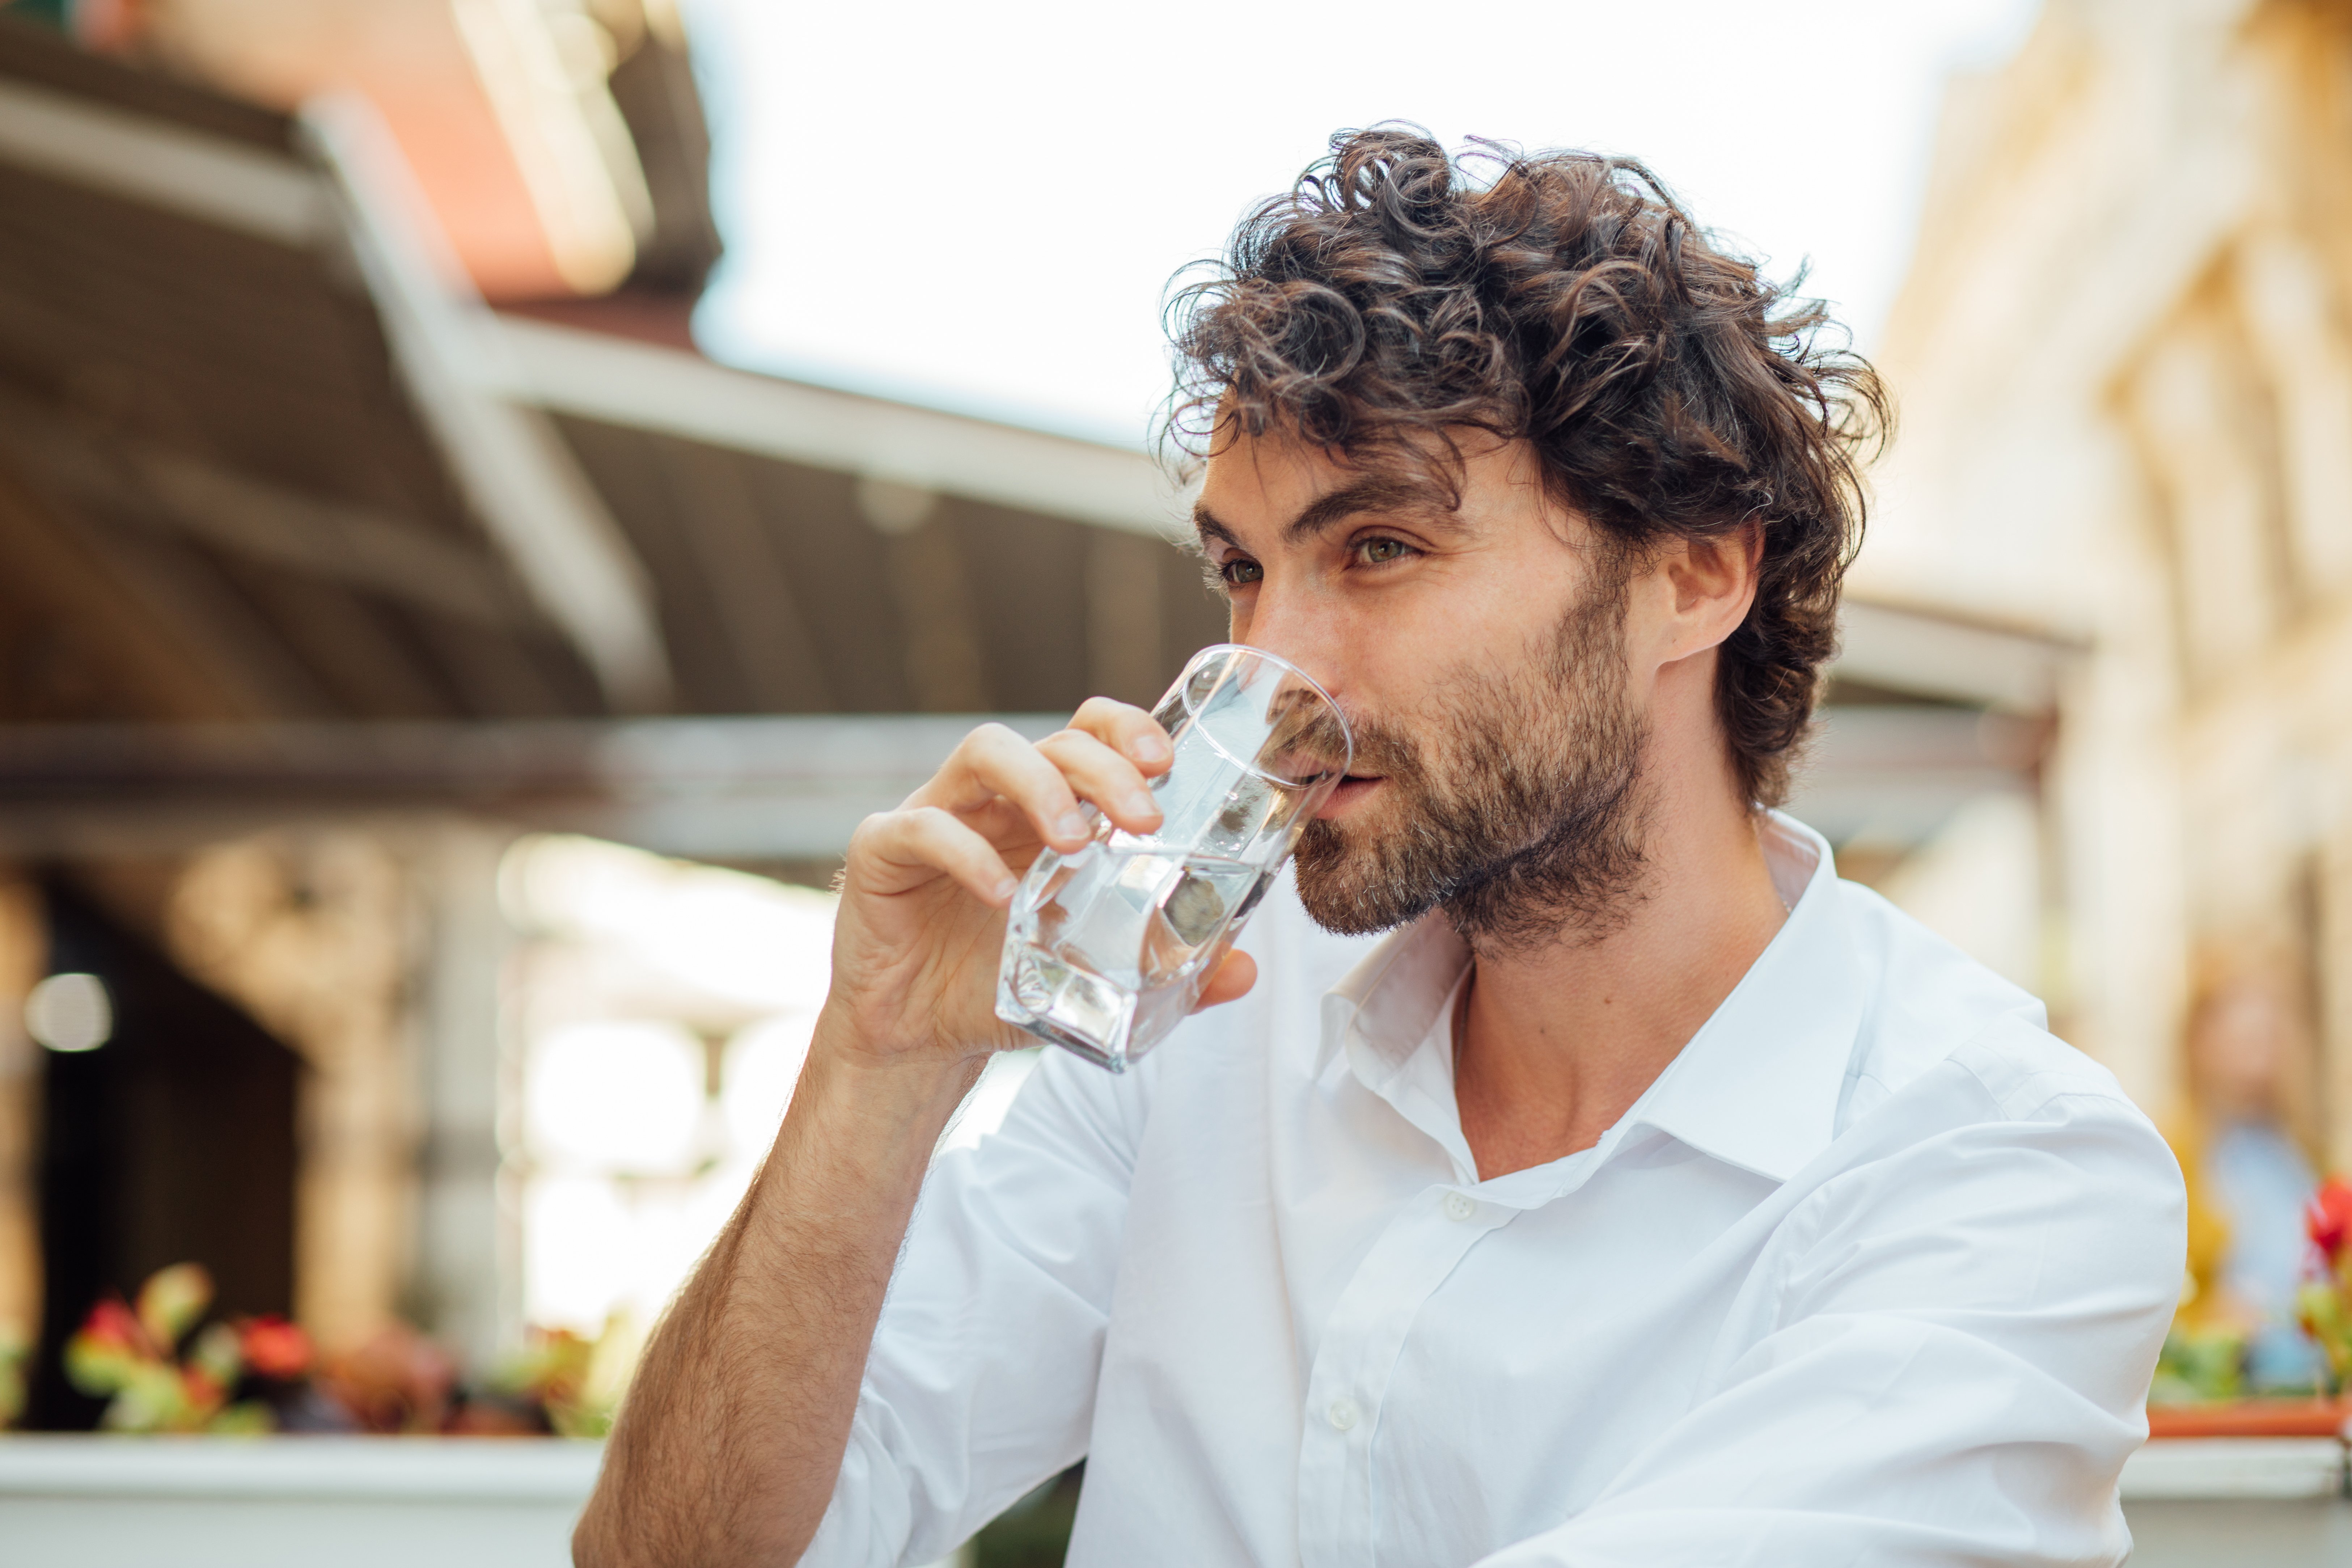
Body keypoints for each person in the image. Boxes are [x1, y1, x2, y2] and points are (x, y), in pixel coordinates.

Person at [575, 130, 2185, 1568]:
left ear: (1694, 574)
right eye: (1240, 573)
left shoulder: (1999, 1169)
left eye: (1378, 547)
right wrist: (874, 1061)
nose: (1274, 676)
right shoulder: (1199, 1028)